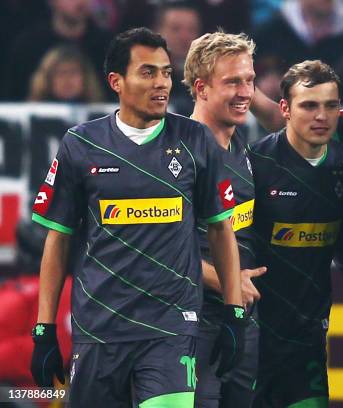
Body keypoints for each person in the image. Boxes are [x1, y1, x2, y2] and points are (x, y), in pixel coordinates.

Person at [29, 27, 245, 407]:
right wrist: (44, 329)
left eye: (165, 72)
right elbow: (58, 238)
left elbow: (220, 229)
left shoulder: (194, 140)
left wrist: (234, 311)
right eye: (148, 72)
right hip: (99, 328)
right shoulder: (81, 145)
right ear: (116, 81)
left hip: (171, 328)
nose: (161, 83)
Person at [248, 60, 343, 408]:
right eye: (309, 105)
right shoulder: (255, 164)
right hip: (250, 337)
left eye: (331, 105)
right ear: (284, 108)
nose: (322, 116)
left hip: (307, 338)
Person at [183, 31, 266, 408]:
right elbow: (152, 246)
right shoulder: (176, 153)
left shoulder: (241, 148)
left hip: (240, 319)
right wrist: (229, 281)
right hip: (191, 322)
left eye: (249, 80)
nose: (245, 91)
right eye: (232, 81)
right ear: (201, 88)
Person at [155, 1, 203, 116]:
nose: (184, 37)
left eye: (191, 30)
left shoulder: (208, 78)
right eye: (175, 29)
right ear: (158, 32)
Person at [28, 45, 105, 103]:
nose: (67, 79)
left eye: (73, 72)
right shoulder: (31, 114)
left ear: (85, 77)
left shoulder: (101, 116)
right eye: (61, 73)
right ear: (48, 78)